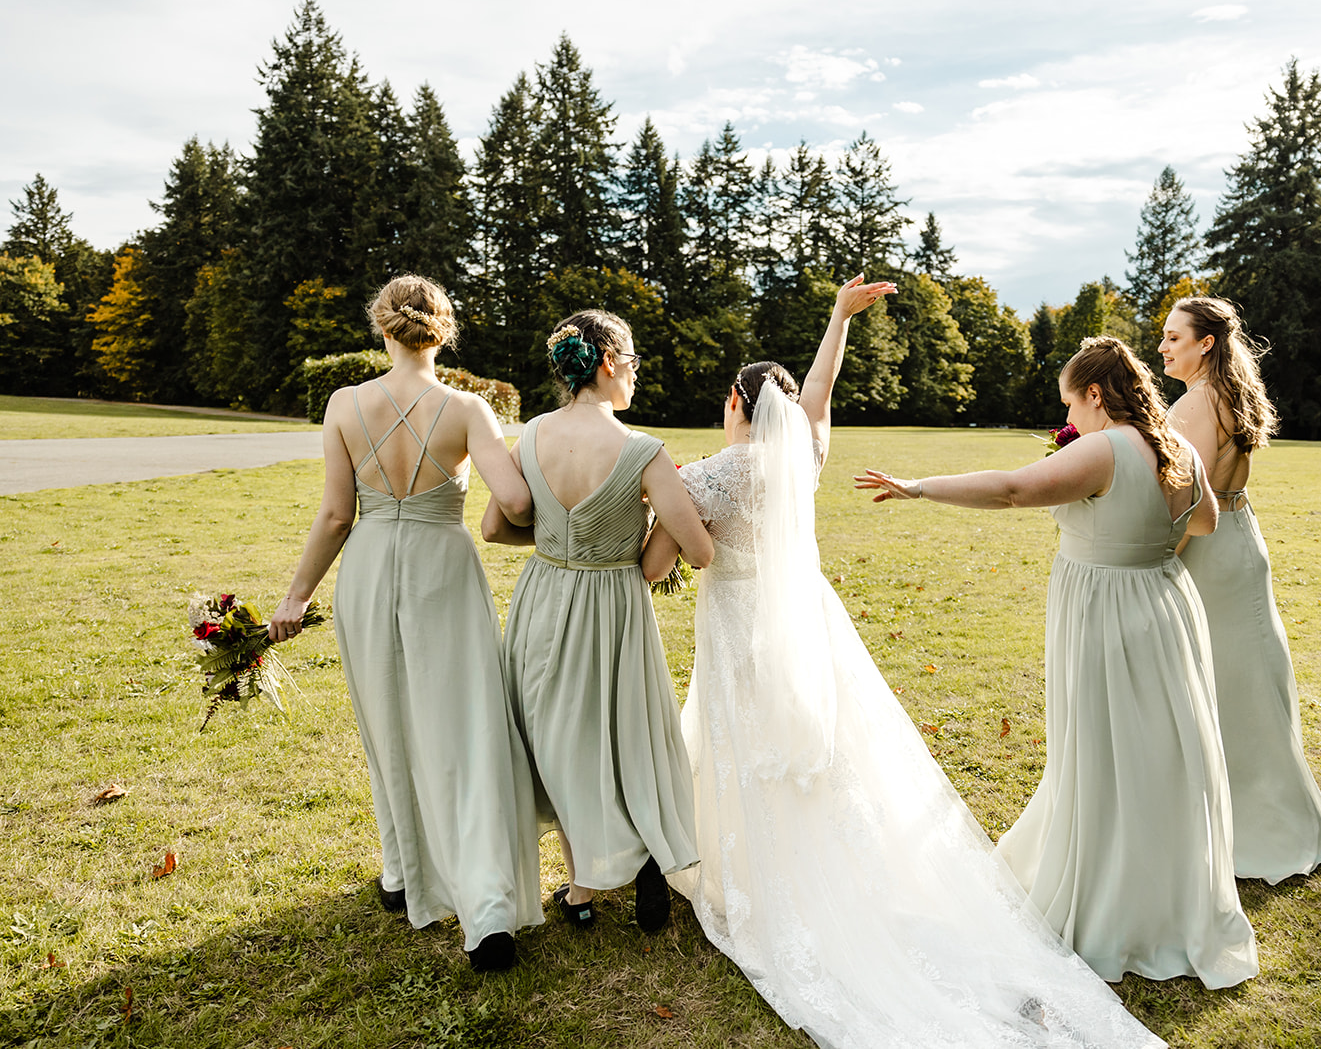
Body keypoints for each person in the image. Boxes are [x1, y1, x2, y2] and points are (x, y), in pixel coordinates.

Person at [647, 279, 1162, 1048]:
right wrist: (835, 322)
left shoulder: (709, 476)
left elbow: (658, 563)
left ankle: (753, 866)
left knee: (748, 740)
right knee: (823, 750)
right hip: (806, 625)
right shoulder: (803, 462)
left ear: (734, 402)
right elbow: (818, 396)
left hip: (743, 632)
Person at [856, 336, 1259, 990]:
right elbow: (1207, 522)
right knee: (1161, 752)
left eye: (1072, 402)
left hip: (1107, 610)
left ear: (1095, 395)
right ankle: (1168, 901)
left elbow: (1015, 490)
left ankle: (1109, 901)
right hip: (1164, 603)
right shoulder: (1175, 448)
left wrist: (918, 487)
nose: (1072, 415)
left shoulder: (1103, 447)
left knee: (1105, 748)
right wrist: (1143, 537)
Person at [268, 275, 542, 972]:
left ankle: (402, 871)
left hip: (365, 571)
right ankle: (484, 914)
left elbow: (336, 515)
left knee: (386, 721)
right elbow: (512, 499)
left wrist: (296, 595)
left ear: (382, 328)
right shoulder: (466, 408)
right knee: (466, 728)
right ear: (443, 332)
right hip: (441, 570)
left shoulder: (342, 404)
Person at [482, 310, 713, 933]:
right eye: (633, 362)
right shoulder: (643, 451)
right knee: (621, 731)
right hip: (613, 605)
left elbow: (495, 526)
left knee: (552, 737)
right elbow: (696, 553)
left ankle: (580, 891)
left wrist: (559, 536)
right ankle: (640, 855)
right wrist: (662, 508)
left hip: (544, 597)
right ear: (609, 362)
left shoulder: (529, 437)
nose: (635, 375)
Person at [1160, 297, 1321, 883]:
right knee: (1247, 678)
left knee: (1227, 684)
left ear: (1205, 343)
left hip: (1210, 547)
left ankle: (1251, 825)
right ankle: (1266, 812)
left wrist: (1154, 562)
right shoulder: (1230, 392)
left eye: (1173, 337)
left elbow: (1187, 501)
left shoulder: (1196, 403)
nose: (1163, 347)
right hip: (1242, 536)